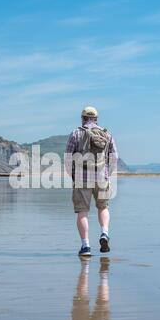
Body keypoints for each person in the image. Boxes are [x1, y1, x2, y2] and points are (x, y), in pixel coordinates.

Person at [65, 106, 118, 256]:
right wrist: (107, 173)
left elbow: (68, 159)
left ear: (82, 118)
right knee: (103, 207)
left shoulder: (76, 133)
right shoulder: (107, 134)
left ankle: (86, 246)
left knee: (82, 212)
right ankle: (104, 233)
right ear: (96, 119)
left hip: (82, 179)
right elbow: (114, 157)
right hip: (102, 177)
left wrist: (73, 175)